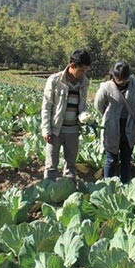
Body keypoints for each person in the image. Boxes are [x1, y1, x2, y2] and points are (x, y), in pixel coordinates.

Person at [41, 49, 92, 180]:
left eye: (86, 71)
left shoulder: (84, 82)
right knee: (51, 165)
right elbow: (46, 106)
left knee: (70, 165)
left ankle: (68, 190)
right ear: (72, 66)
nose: (83, 73)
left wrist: (85, 115)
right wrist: (46, 129)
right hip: (55, 129)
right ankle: (49, 188)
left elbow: (83, 103)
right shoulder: (55, 80)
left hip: (73, 130)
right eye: (81, 70)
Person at [94, 61, 135, 184]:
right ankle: (108, 185)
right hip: (111, 128)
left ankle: (125, 185)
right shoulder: (106, 87)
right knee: (111, 159)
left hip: (129, 128)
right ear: (113, 76)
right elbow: (98, 105)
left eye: (125, 79)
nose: (122, 81)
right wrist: (109, 117)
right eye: (119, 79)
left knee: (126, 159)